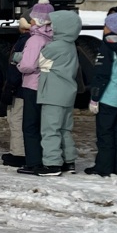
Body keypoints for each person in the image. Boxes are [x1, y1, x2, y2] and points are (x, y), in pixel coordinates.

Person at [27, 9, 82, 176]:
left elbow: (37, 61)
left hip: (53, 94)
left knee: (50, 129)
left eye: (53, 24)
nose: (50, 27)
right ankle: (68, 161)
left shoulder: (55, 46)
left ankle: (52, 164)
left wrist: (17, 57)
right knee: (65, 129)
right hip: (67, 93)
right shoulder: (71, 45)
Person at [86, 10, 117, 176]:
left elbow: (102, 75)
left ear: (112, 28)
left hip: (107, 98)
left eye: (106, 25)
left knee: (104, 134)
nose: (104, 27)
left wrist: (95, 98)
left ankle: (103, 167)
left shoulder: (107, 47)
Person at [15, 1, 55, 170]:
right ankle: (44, 158)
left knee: (29, 125)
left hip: (32, 85)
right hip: (46, 85)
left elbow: (28, 65)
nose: (29, 21)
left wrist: (18, 62)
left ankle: (33, 162)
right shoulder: (51, 37)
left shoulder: (35, 40)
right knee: (41, 125)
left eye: (32, 18)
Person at [2, 16, 32, 166]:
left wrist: (9, 88)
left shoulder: (23, 42)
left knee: (17, 120)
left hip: (20, 89)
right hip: (32, 89)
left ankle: (18, 153)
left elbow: (15, 66)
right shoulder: (41, 40)